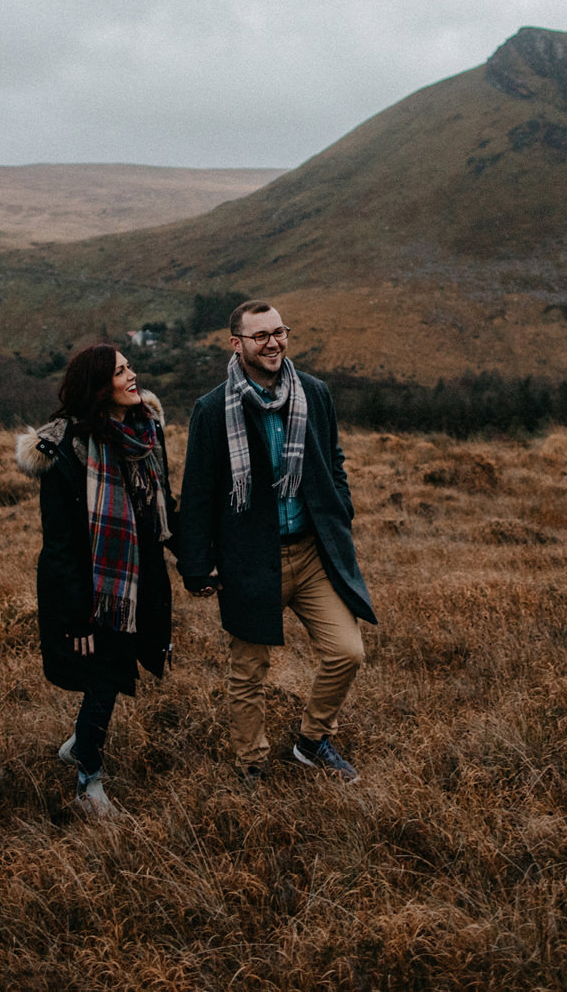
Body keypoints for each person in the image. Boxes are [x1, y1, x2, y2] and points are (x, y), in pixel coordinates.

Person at [178, 300, 376, 783]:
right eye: (260, 336)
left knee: (347, 652)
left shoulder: (315, 392)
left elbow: (333, 458)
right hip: (250, 558)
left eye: (279, 332)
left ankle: (312, 741)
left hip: (311, 552)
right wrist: (196, 566)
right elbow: (198, 492)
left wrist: (340, 508)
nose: (273, 343)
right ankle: (252, 764)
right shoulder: (211, 410)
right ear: (237, 344)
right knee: (249, 672)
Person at [16, 343, 175, 816]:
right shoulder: (65, 449)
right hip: (90, 588)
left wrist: (196, 563)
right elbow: (61, 543)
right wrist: (80, 615)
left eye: (130, 367)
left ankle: (81, 747)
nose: (132, 376)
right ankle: (90, 780)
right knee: (106, 676)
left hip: (134, 579)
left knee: (113, 674)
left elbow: (163, 505)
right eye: (119, 372)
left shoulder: (144, 429)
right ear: (97, 386)